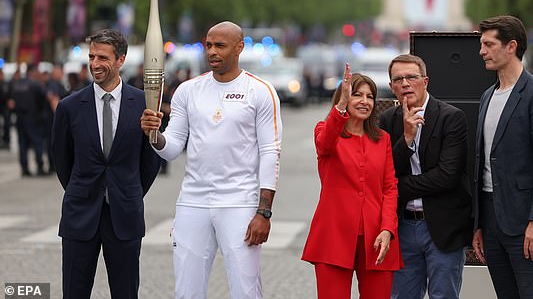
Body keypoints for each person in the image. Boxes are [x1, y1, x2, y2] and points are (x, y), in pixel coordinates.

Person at [140, 21, 283, 299]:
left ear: (239, 48)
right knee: (186, 292)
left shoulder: (260, 91)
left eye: (220, 45)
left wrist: (263, 212)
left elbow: (270, 151)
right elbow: (171, 148)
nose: (212, 52)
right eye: (208, 45)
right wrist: (154, 134)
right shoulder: (188, 91)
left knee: (246, 291)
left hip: (239, 202)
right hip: (193, 202)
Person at [51, 29, 161, 299]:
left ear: (121, 60)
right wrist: (84, 188)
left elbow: (150, 161)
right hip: (80, 215)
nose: (95, 64)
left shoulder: (144, 105)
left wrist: (126, 189)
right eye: (91, 56)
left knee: (125, 293)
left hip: (125, 216)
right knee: (74, 293)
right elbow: (62, 160)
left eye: (103, 57)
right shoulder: (70, 107)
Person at [472, 15, 533, 299]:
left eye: (489, 44)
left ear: (511, 46)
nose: (481, 51)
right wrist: (479, 224)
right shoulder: (488, 95)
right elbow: (483, 164)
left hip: (528, 225)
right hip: (492, 224)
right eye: (482, 44)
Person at [302, 64, 402, 298]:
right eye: (357, 94)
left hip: (376, 238)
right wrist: (340, 106)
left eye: (370, 96)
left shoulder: (383, 139)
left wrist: (388, 228)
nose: (365, 101)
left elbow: (390, 187)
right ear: (345, 97)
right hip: (333, 236)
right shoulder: (325, 132)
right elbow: (325, 142)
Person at [378, 54, 472, 299]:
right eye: (398, 79)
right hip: (403, 225)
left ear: (425, 81)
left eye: (411, 77)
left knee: (443, 295)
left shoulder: (450, 117)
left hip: (442, 226)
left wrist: (398, 186)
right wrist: (407, 138)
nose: (405, 83)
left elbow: (447, 176)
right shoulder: (387, 120)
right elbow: (384, 172)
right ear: (391, 87)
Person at [8, 64, 48, 176]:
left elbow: (11, 101)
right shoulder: (35, 84)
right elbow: (43, 99)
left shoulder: (17, 84)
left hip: (20, 118)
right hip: (33, 118)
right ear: (33, 71)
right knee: (37, 142)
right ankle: (40, 166)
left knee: (23, 144)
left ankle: (24, 168)